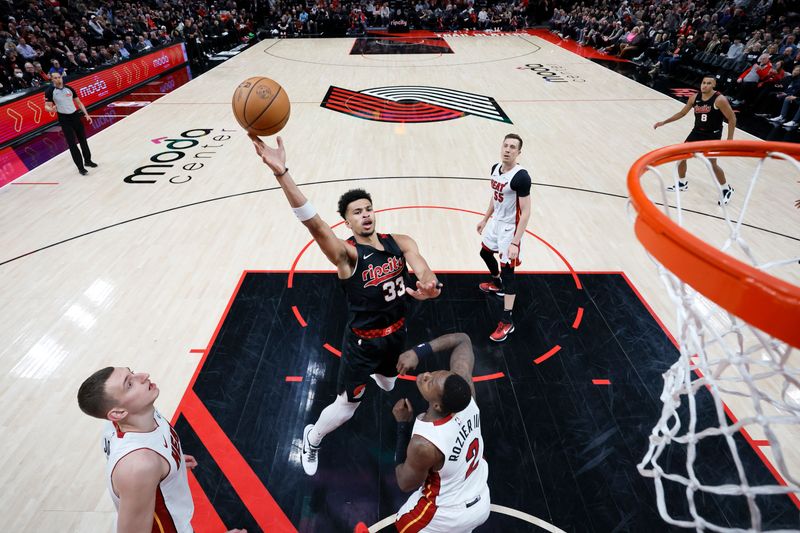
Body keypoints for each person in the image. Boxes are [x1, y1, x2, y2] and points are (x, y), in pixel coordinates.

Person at [249, 135, 442, 476]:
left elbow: (423, 267)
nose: (365, 215)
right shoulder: (347, 255)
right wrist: (282, 174)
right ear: (348, 223)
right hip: (362, 344)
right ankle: (312, 437)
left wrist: (430, 285)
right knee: (347, 406)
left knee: (389, 381)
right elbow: (314, 223)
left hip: (396, 335)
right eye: (357, 212)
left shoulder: (400, 241)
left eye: (368, 209)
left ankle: (383, 376)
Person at [77, 367, 246, 533]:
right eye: (129, 384)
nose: (143, 376)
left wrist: (171, 462)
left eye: (133, 373)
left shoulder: (136, 417)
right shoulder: (139, 466)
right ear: (118, 412)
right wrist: (153, 469)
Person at [391, 333, 490, 532]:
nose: (426, 375)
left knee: (403, 524)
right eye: (436, 373)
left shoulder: (425, 444)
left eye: (430, 382)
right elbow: (463, 339)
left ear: (436, 404)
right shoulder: (465, 392)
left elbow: (404, 482)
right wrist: (418, 352)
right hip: (480, 498)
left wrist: (402, 426)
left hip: (447, 513)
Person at [476, 133, 532, 342]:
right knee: (484, 252)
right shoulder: (494, 169)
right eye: (505, 145)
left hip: (510, 228)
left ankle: (507, 321)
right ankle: (497, 284)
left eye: (513, 147)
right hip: (496, 223)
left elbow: (525, 212)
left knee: (509, 273)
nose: (508, 150)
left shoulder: (521, 177)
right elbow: (494, 196)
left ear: (518, 152)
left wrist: (516, 242)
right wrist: (485, 219)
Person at [653, 76, 737, 206]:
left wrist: (730, 139)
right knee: (681, 157)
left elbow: (732, 118)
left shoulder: (719, 100)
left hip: (712, 135)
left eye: (709, 83)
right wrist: (664, 122)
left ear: (714, 85)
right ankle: (682, 183)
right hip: (697, 132)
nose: (705, 85)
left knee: (711, 164)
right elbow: (682, 113)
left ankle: (727, 188)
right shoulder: (694, 98)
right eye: (703, 83)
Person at [44, 71, 97, 175]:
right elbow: (46, 106)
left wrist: (86, 114)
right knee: (72, 144)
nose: (58, 79)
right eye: (55, 78)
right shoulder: (50, 91)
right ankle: (80, 167)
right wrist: (52, 110)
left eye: (59, 77)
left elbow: (78, 102)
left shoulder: (69, 88)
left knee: (83, 140)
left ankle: (88, 161)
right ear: (52, 79)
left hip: (75, 116)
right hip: (64, 119)